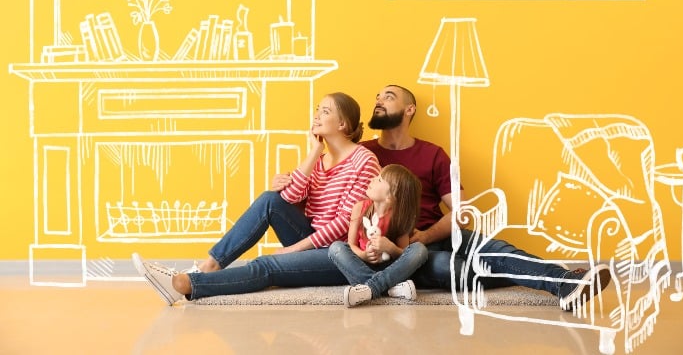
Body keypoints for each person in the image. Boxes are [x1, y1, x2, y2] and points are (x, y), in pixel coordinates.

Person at [361, 84, 611, 311]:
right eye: (377, 97)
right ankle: (529, 272)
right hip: (401, 248)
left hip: (438, 233)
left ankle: (565, 283)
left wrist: (426, 235)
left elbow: (463, 212)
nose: (379, 101)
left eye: (388, 97)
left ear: (409, 109)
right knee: (446, 268)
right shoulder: (365, 154)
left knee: (499, 250)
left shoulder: (432, 154)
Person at [132, 92, 381, 305]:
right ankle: (209, 265)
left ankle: (186, 285)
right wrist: (313, 153)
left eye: (325, 111)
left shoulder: (364, 160)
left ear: (343, 124)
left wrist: (291, 251)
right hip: (311, 239)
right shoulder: (319, 159)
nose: (316, 115)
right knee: (268, 200)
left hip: (339, 252)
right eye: (317, 109)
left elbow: (345, 225)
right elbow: (287, 197)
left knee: (268, 264)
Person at [328, 164, 428, 307]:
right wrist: (363, 255)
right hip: (361, 266)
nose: (373, 179)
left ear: (390, 197)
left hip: (391, 268)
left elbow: (404, 254)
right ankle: (390, 289)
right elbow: (351, 245)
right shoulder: (359, 208)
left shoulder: (399, 217)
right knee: (335, 248)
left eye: (380, 179)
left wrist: (390, 248)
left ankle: (368, 289)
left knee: (420, 249)